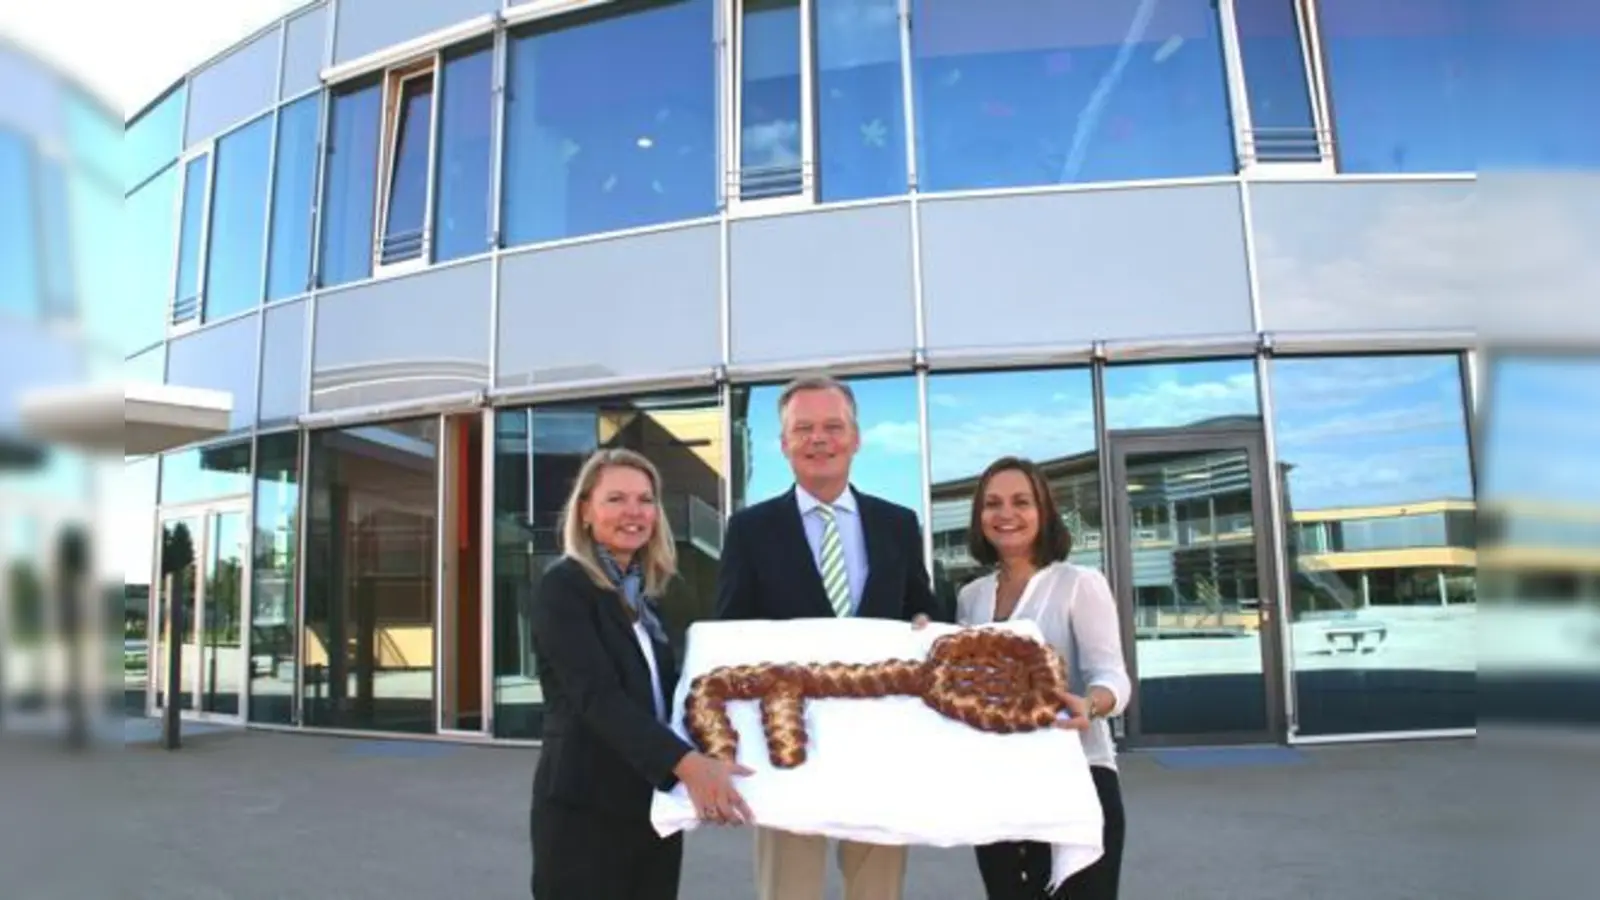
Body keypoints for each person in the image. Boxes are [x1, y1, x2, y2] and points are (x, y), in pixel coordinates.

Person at [716, 375, 942, 900]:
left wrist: (928, 626)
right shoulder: (750, 531)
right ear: (784, 444)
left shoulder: (898, 524)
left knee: (877, 888)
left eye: (833, 427)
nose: (819, 439)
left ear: (856, 438)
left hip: (878, 740)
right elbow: (731, 633)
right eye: (804, 428)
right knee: (789, 889)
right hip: (786, 742)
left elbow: (925, 609)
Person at [529, 447, 754, 900]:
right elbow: (597, 696)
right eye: (616, 499)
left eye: (645, 500)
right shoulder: (564, 587)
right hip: (586, 808)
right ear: (586, 511)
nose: (634, 512)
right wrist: (690, 766)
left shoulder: (650, 596)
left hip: (651, 802)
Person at [954, 456, 1131, 900]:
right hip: (995, 786)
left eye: (1021, 502)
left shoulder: (1079, 583)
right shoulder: (970, 598)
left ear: (1044, 511)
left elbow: (1113, 675)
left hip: (1075, 778)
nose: (1006, 514)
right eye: (992, 504)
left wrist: (1090, 705)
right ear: (980, 518)